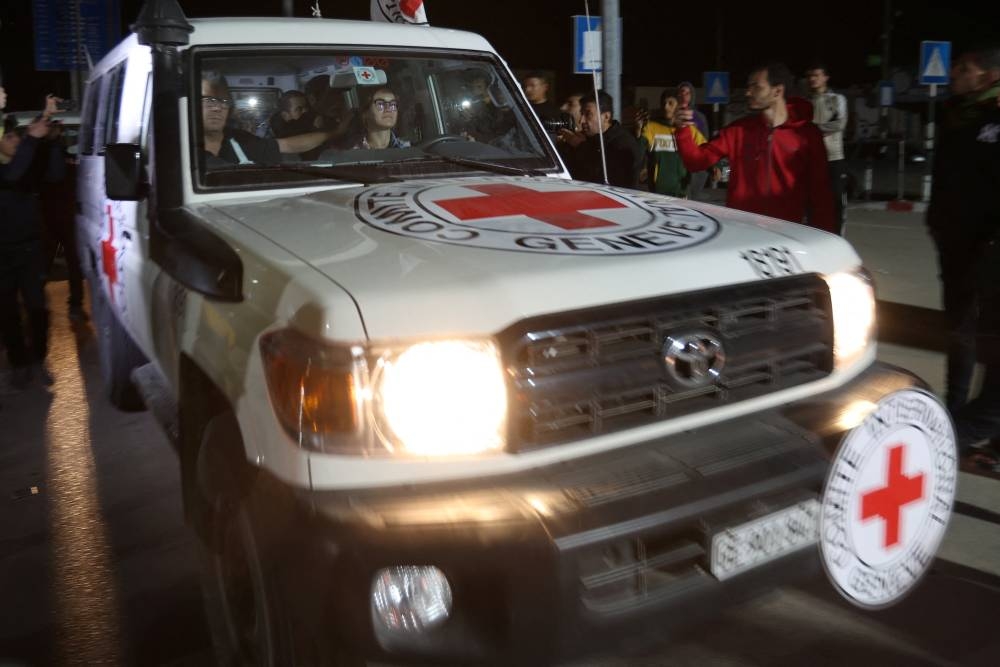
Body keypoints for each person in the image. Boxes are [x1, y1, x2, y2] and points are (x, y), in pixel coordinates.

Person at [925, 45, 1000, 464]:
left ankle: (966, 428)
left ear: (988, 76)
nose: (955, 74)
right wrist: (936, 221)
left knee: (982, 332)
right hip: (954, 240)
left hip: (986, 249)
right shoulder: (956, 114)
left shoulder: (995, 115)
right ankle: (956, 409)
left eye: (965, 69)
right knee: (960, 328)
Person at [675, 62, 835, 232]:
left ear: (777, 91)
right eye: (748, 86)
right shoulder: (737, 131)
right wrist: (682, 130)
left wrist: (827, 242)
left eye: (756, 87)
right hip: (741, 233)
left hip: (786, 237)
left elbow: (821, 195)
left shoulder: (807, 135)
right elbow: (696, 162)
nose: (748, 92)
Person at [1, 106, 65, 388]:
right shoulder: (11, 170)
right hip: (2, 254)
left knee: (38, 308)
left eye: (18, 137)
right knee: (8, 312)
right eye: (10, 137)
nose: (16, 141)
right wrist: (31, 139)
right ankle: (19, 363)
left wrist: (50, 142)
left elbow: (56, 175)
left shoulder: (26, 165)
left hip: (30, 250)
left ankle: (39, 361)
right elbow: (12, 176)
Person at [200, 76, 335, 167]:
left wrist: (335, 131)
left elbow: (288, 145)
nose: (217, 107)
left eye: (224, 101)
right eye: (208, 100)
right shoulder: (182, 151)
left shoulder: (242, 140)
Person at [558, 90, 643, 189]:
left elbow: (604, 177)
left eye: (588, 114)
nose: (582, 121)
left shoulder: (623, 144)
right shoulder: (587, 138)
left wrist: (580, 147)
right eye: (581, 114)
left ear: (606, 116)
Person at [637, 88, 707, 197]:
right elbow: (639, 151)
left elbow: (706, 149)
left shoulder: (690, 130)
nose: (666, 107)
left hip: (681, 193)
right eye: (664, 103)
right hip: (657, 194)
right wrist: (638, 131)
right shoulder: (651, 128)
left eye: (670, 103)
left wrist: (714, 168)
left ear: (678, 106)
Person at [806, 63, 849, 234]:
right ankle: (811, 237)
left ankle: (838, 238)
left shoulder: (836, 99)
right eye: (810, 76)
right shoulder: (804, 102)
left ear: (825, 77)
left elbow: (840, 123)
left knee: (836, 201)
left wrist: (813, 129)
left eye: (816, 75)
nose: (812, 79)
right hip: (810, 159)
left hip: (833, 157)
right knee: (810, 202)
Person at [677, 81, 713, 200]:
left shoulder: (699, 117)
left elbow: (705, 141)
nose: (684, 95)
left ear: (692, 96)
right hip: (677, 162)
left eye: (688, 93)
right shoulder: (673, 113)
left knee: (693, 200)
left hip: (695, 164)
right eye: (682, 92)